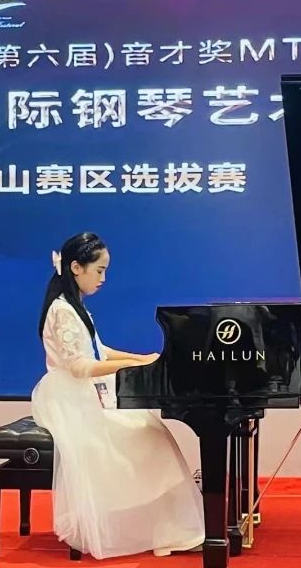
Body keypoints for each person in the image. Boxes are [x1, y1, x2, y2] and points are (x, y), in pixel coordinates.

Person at [30, 232, 205, 559]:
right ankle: (166, 531)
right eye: (99, 270)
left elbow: (99, 350)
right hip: (70, 399)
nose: (103, 278)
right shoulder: (63, 310)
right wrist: (132, 366)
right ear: (76, 268)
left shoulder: (74, 306)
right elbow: (80, 366)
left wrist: (142, 358)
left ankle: (168, 529)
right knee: (147, 438)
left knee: (151, 433)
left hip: (85, 393)